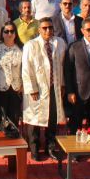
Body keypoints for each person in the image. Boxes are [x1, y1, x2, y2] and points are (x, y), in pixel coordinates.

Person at [22, 18, 66, 160]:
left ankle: (50, 147)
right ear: (39, 30)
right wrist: (31, 88)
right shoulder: (31, 45)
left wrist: (62, 84)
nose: (48, 30)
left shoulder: (59, 43)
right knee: (34, 120)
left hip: (54, 87)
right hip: (37, 89)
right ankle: (34, 148)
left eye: (50, 28)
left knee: (51, 119)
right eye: (45, 28)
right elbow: (26, 69)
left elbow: (62, 66)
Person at [0, 21, 23, 131]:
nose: (9, 34)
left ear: (15, 33)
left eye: (12, 31)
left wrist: (23, 86)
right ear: (2, 33)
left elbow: (24, 69)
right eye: (6, 31)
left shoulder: (21, 49)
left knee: (14, 118)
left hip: (15, 88)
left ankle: (13, 142)